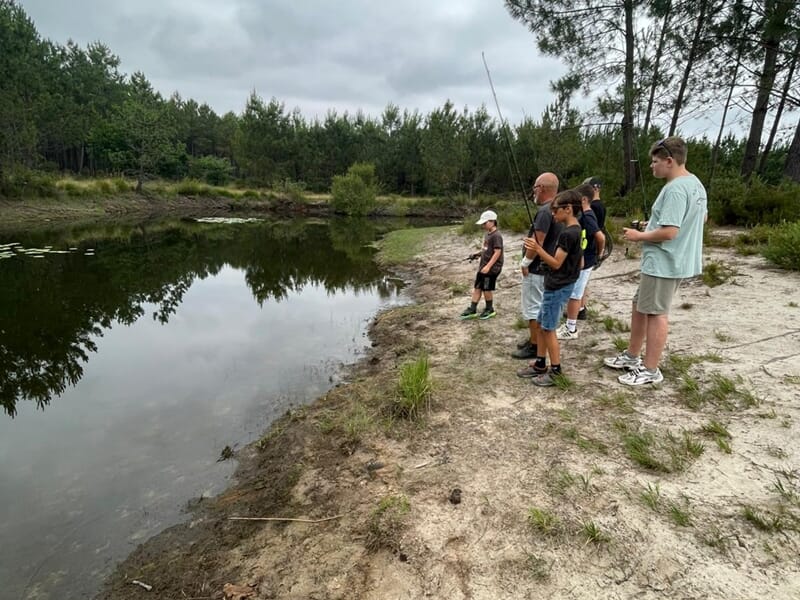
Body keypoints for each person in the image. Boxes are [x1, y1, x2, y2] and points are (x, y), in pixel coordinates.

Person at [604, 136, 707, 385]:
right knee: (640, 304)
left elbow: (670, 232)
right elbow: (700, 219)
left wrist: (639, 236)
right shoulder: (696, 184)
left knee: (656, 313)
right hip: (672, 260)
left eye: (655, 161)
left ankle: (650, 370)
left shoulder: (674, 189)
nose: (652, 166)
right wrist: (650, 225)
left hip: (666, 261)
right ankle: (632, 356)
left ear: (669, 161)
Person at [517, 190, 584, 386]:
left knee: (548, 328)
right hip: (560, 284)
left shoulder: (567, 234)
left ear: (568, 209)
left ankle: (556, 370)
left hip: (556, 288)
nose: (552, 214)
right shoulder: (577, 230)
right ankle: (539, 364)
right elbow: (577, 263)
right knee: (540, 324)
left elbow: (555, 263)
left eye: (555, 211)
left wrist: (538, 250)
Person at [512, 172, 562, 359]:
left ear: (541, 188)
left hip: (537, 270)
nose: (533, 191)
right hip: (548, 269)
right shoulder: (558, 208)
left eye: (534, 186)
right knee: (540, 306)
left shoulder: (543, 211)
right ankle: (535, 339)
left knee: (533, 309)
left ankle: (534, 346)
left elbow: (537, 240)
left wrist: (525, 262)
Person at [557, 183, 604, 340]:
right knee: (580, 290)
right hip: (585, 259)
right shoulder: (585, 215)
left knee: (574, 295)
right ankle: (580, 312)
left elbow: (600, 236)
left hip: (586, 260)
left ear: (584, 199)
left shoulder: (588, 216)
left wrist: (599, 253)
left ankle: (571, 328)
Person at [459, 209, 504, 320]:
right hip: (483, 266)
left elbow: (497, 252)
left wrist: (488, 266)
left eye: (485, 223)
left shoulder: (496, 236)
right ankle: (472, 309)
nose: (483, 225)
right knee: (478, 287)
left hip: (491, 268)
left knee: (486, 288)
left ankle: (490, 309)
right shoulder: (488, 235)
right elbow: (486, 250)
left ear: (492, 221)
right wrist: (477, 254)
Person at [577, 176, 607, 319]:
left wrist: (599, 253)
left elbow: (598, 233)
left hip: (588, 247)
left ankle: (579, 309)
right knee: (584, 282)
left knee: (580, 284)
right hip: (591, 247)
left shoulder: (593, 208)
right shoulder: (600, 205)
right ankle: (581, 308)